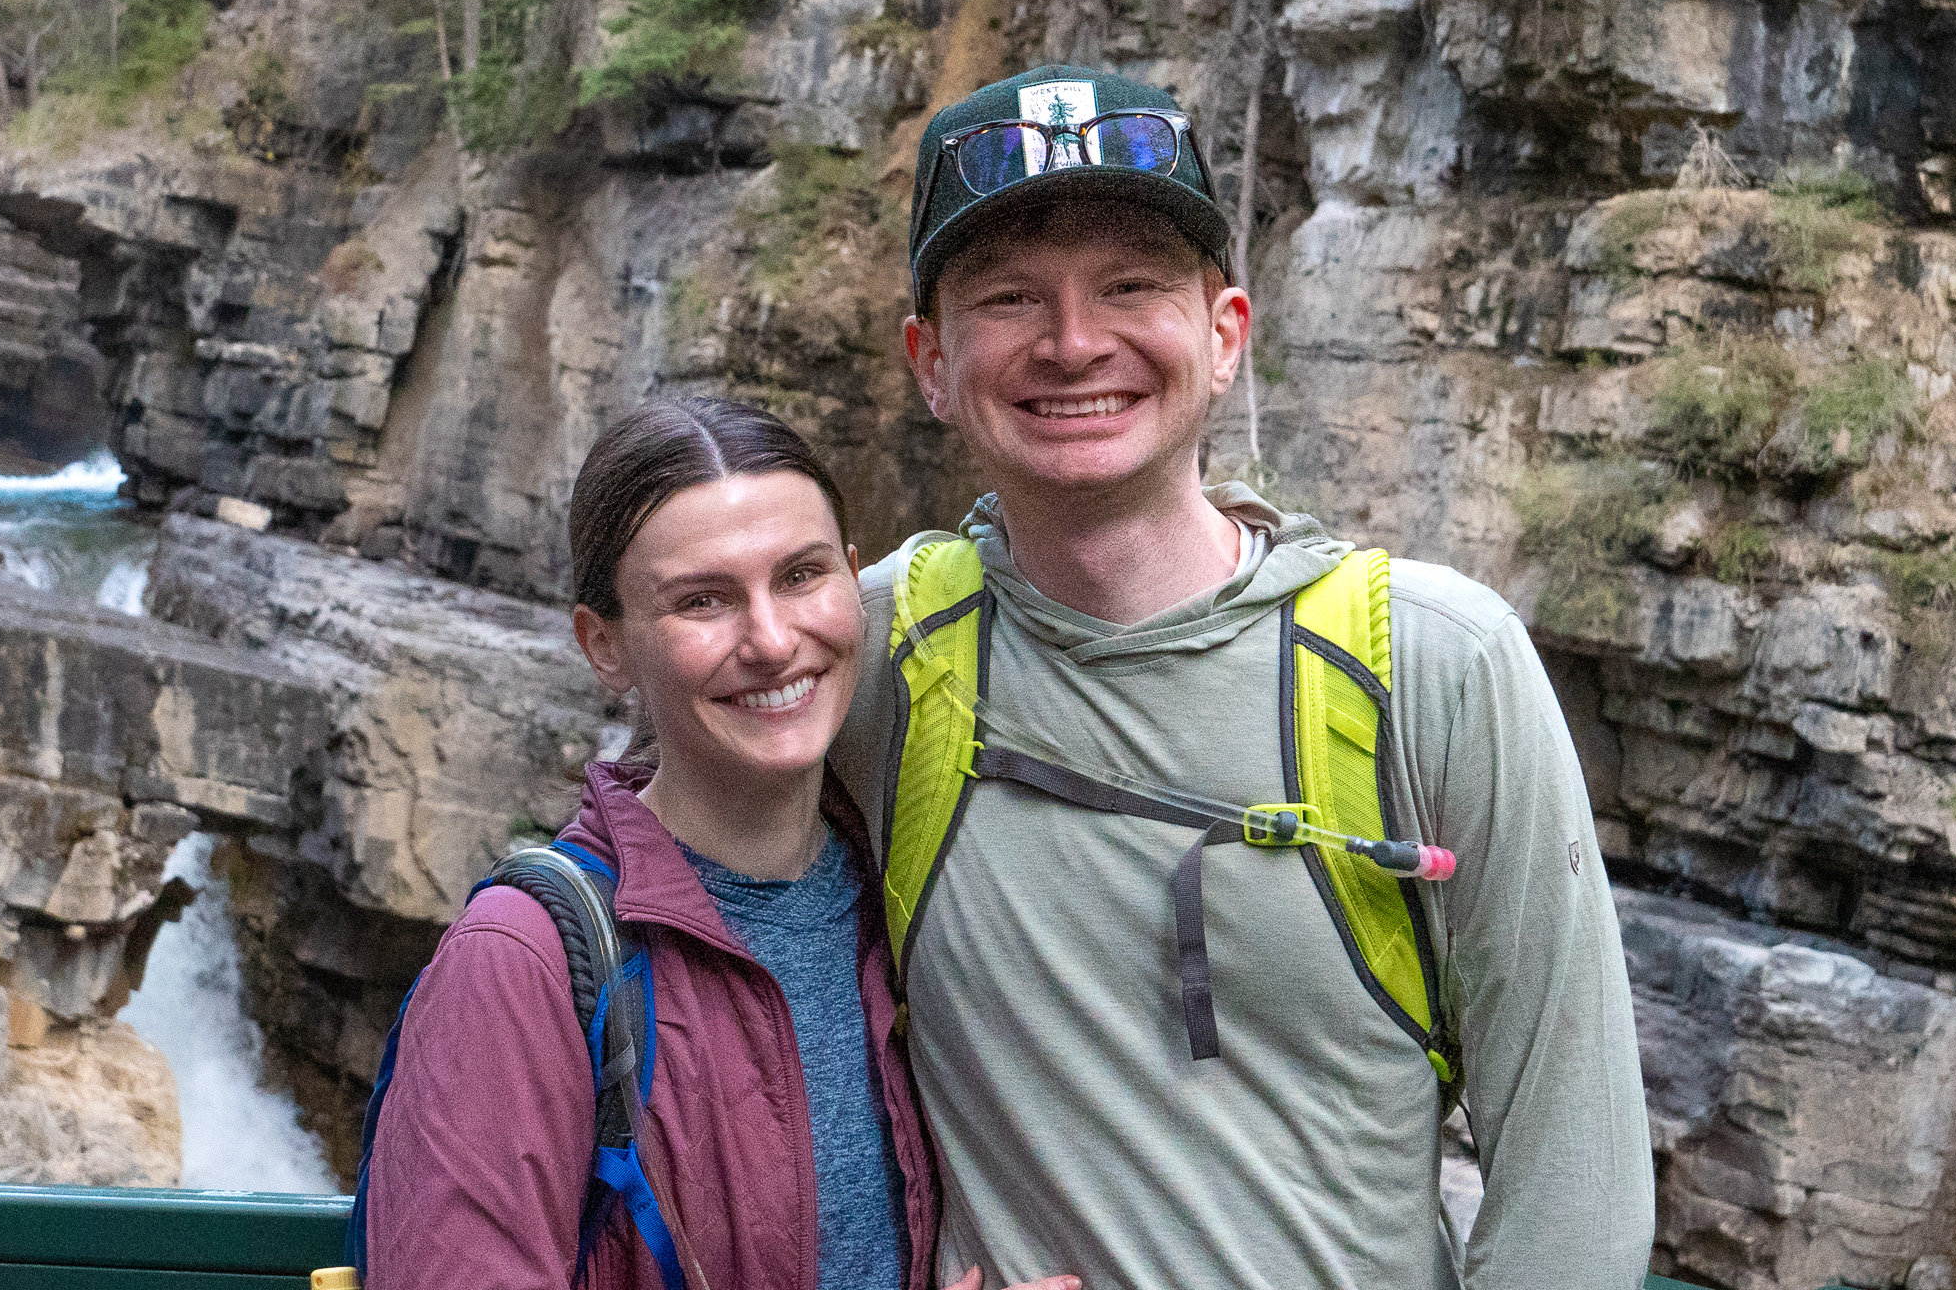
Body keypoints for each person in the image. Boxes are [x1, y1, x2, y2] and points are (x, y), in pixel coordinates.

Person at [829, 65, 1657, 1290]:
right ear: (930, 362)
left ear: (1223, 337)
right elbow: (702, 967)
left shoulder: (1431, 664)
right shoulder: (875, 652)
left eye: (1129, 287)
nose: (1072, 343)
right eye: (1008, 298)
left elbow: (1571, 1184)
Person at [364, 396, 1080, 1290]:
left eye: (801, 576)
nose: (773, 640)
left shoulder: (901, 892)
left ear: (854, 583)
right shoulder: (523, 963)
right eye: (702, 600)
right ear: (606, 645)